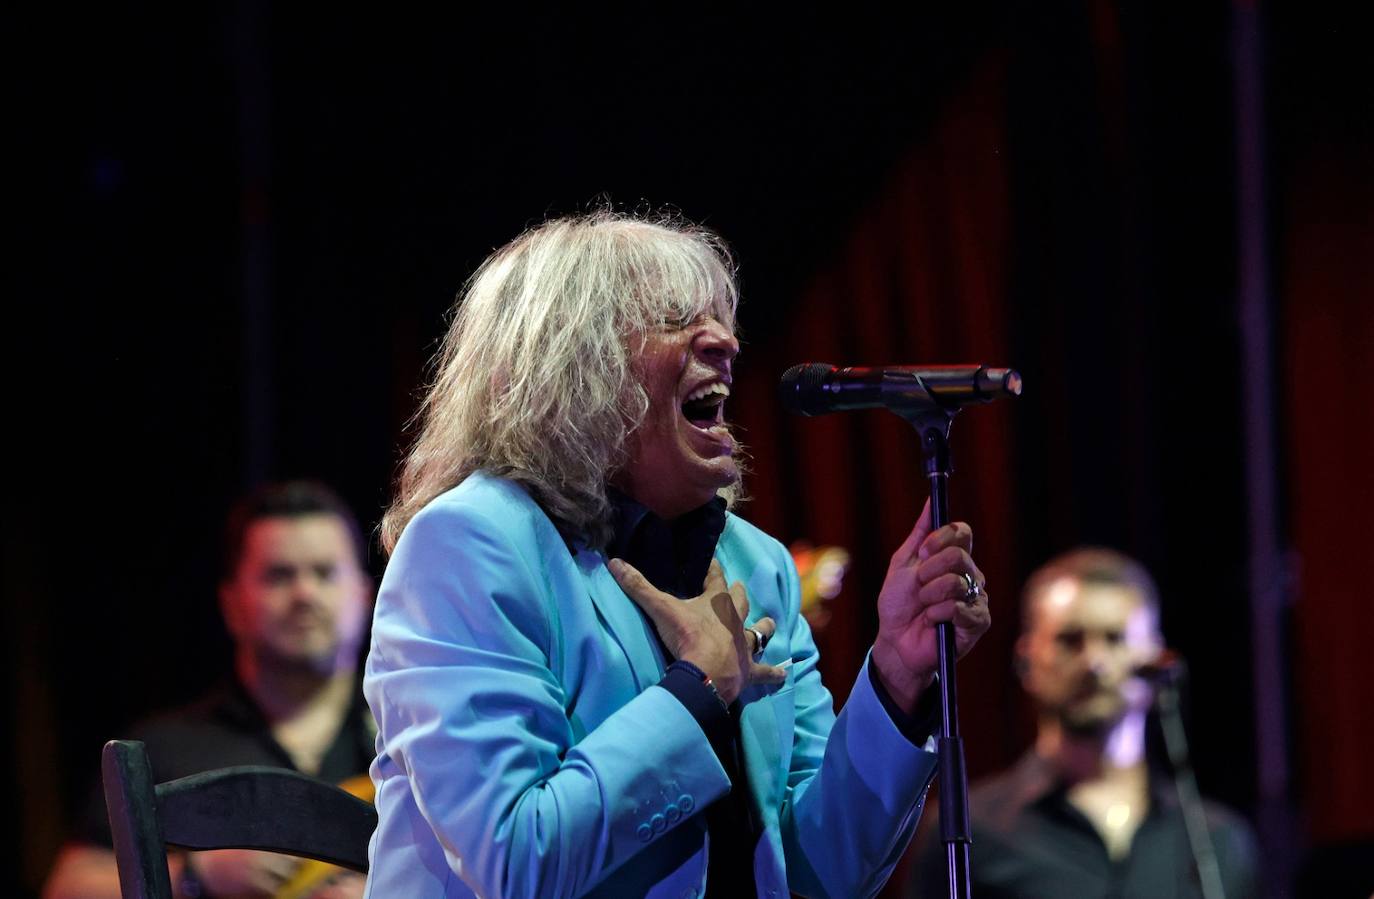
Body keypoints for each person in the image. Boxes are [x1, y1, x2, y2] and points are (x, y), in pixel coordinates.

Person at [363, 211, 993, 898]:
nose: (725, 340)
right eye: (674, 317)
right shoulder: (470, 542)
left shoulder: (758, 564)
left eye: (722, 318)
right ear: (573, 364)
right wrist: (697, 691)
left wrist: (897, 679)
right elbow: (517, 859)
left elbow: (817, 877)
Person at [44, 481, 376, 899]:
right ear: (231, 603)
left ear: (365, 596)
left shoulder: (407, 741)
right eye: (279, 575)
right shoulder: (163, 747)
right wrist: (194, 876)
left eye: (324, 573)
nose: (304, 593)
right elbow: (66, 888)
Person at [906, 547, 1258, 899]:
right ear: (1026, 660)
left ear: (1156, 659)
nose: (1094, 662)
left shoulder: (1216, 839)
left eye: (1115, 639)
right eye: (1070, 640)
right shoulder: (967, 831)